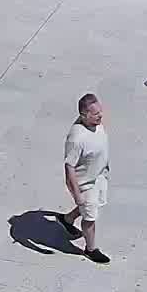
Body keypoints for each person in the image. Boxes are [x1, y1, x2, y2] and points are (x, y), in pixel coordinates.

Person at [61, 93, 111, 264]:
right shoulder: (76, 139)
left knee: (93, 206)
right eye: (96, 114)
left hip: (99, 176)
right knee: (90, 217)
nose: (100, 116)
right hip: (86, 183)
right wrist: (77, 196)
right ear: (84, 115)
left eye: (100, 112)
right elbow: (69, 168)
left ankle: (67, 219)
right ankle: (90, 249)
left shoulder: (95, 123)